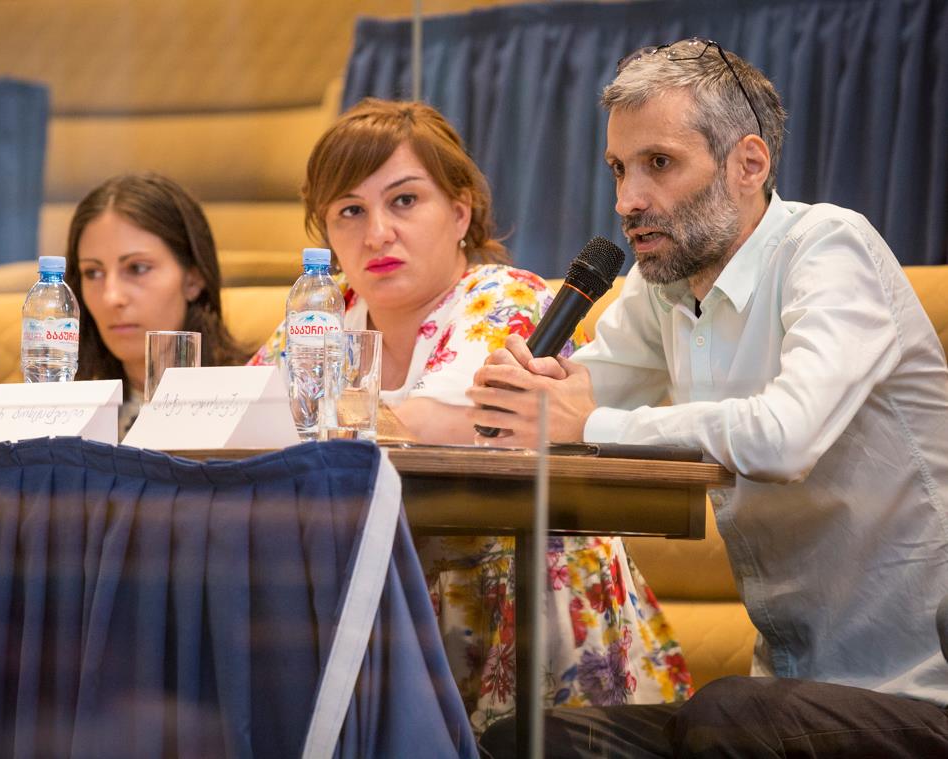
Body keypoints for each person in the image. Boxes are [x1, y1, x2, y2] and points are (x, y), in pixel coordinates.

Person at [471, 38, 948, 755]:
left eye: (658, 164)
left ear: (747, 164)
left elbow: (785, 437)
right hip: (786, 691)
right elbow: (579, 389)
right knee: (527, 739)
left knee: (724, 717)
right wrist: (522, 395)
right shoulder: (663, 287)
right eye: (618, 169)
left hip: (919, 694)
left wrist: (586, 420)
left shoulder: (829, 247)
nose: (627, 201)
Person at [250, 98, 692, 732]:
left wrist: (310, 420)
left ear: (460, 213)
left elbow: (456, 421)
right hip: (389, 600)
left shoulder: (505, 296)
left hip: (523, 596)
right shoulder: (322, 313)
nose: (377, 234)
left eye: (404, 200)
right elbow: (240, 419)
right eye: (350, 211)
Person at [63, 173, 247, 436]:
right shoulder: (60, 409)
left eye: (137, 268)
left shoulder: (253, 401)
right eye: (93, 273)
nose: (111, 297)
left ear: (193, 278)